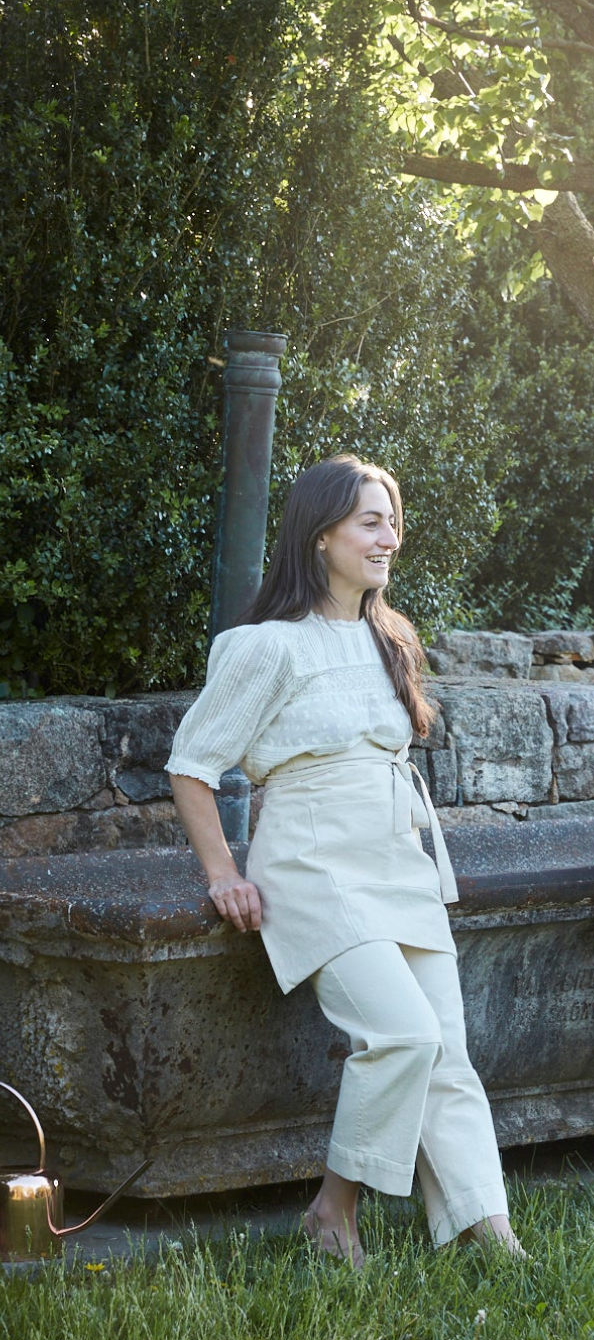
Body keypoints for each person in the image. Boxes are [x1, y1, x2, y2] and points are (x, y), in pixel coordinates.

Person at [167, 454, 521, 1265]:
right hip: (314, 864)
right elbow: (192, 766)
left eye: (393, 520)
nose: (388, 536)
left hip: (399, 858)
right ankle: (334, 1208)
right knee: (400, 1034)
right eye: (371, 520)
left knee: (446, 1051)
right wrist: (225, 871)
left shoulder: (388, 635)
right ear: (321, 535)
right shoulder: (264, 647)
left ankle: (488, 1230)